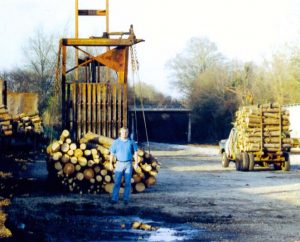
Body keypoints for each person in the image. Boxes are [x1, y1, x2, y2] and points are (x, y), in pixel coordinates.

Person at [109, 127, 138, 205]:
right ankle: (114, 199)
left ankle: (126, 199)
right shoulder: (116, 142)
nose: (124, 134)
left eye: (126, 132)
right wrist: (110, 163)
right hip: (119, 164)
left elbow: (135, 153)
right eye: (123, 132)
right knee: (117, 182)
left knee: (128, 183)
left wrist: (136, 163)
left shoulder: (131, 142)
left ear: (128, 133)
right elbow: (111, 153)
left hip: (128, 163)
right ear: (120, 133)